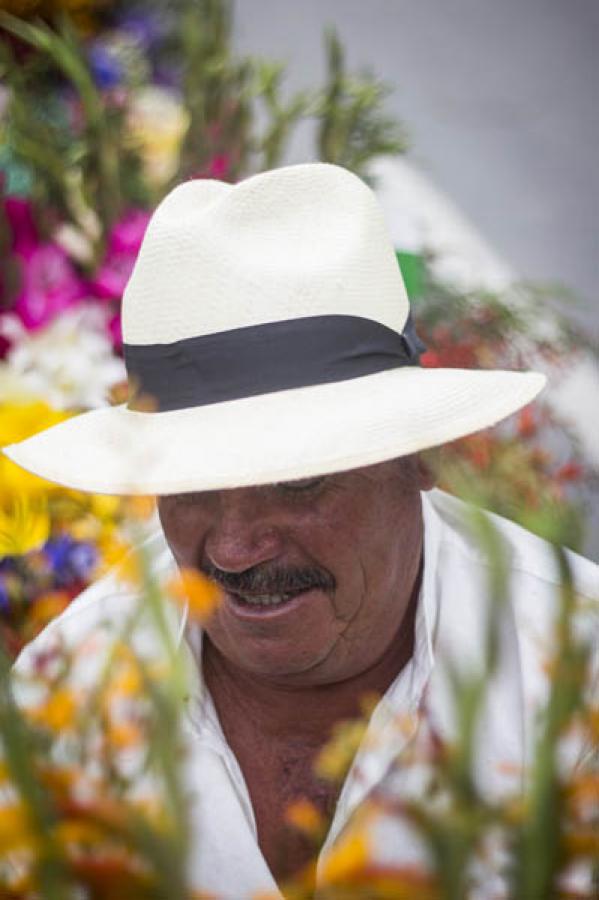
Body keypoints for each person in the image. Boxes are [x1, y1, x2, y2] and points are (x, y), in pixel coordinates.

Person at [4, 164, 598, 899]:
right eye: (190, 485)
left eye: (297, 482)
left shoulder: (575, 669)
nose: (230, 548)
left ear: (419, 456)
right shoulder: (75, 682)